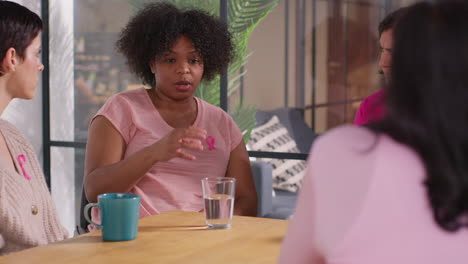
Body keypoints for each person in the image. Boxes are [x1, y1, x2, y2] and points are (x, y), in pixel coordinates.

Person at [279, 1, 468, 263]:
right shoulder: (366, 116)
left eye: (396, 52)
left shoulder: (342, 148)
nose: (383, 62)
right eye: (382, 50)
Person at [84, 2, 258, 226]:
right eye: (170, 59)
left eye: (194, 60)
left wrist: (211, 225)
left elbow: (248, 201)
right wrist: (155, 152)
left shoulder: (222, 123)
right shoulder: (122, 109)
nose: (183, 69)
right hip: (132, 238)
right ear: (152, 64)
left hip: (201, 242)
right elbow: (95, 191)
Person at [0, 1, 68, 255]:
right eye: (37, 53)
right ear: (12, 58)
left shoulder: (13, 137)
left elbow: (53, 234)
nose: (41, 65)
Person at [353, 8, 406, 125]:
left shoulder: (449, 106)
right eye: (382, 50)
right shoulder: (371, 107)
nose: (383, 62)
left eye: (393, 51)